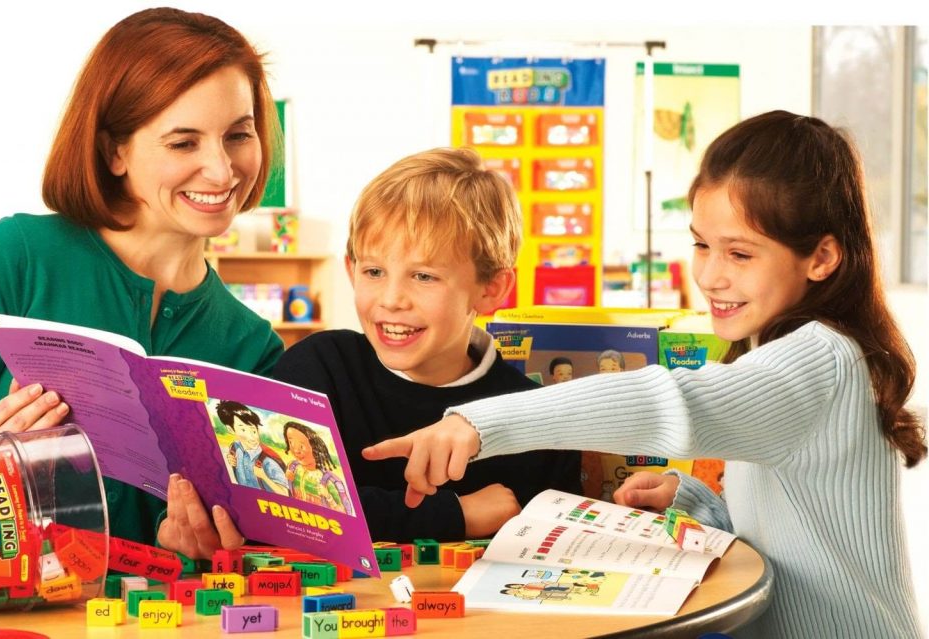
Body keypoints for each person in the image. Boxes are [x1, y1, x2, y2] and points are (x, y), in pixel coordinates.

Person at [363, 112, 926, 637]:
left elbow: (672, 402)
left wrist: (477, 425)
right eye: (703, 245)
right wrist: (695, 499)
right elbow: (791, 528)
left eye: (740, 255)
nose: (710, 275)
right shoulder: (778, 349)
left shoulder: (820, 359)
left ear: (822, 257)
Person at [0, 8, 284, 559]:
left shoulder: (251, 344)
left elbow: (225, 540)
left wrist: (188, 542)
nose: (222, 171)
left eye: (238, 135)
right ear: (114, 151)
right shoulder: (13, 259)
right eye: (183, 143)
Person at [272, 147, 581, 542]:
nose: (392, 299)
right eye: (374, 271)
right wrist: (455, 515)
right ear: (351, 271)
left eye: (423, 276)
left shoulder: (535, 419)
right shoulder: (318, 368)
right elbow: (284, 504)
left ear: (491, 289)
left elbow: (564, 548)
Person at [217, 400, 289, 495]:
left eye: (253, 431)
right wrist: (230, 457)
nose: (252, 437)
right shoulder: (235, 448)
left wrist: (264, 476)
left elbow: (285, 494)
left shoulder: (267, 462)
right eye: (243, 429)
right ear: (231, 429)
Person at [282, 421, 354, 515]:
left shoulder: (330, 481)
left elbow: (345, 515)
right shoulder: (293, 467)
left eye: (301, 446)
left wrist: (328, 497)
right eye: (291, 443)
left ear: (315, 447)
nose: (296, 450)